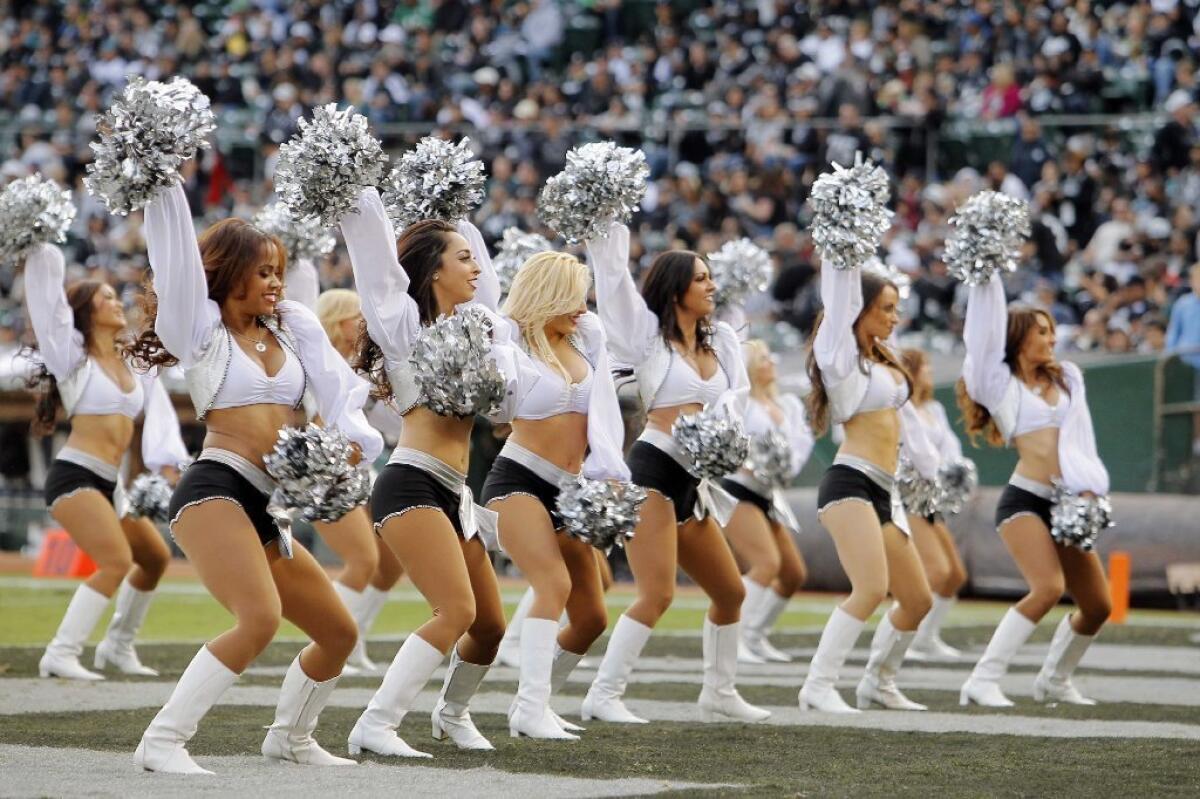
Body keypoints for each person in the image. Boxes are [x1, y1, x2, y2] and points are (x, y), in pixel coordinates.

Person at [128, 181, 383, 774]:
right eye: (262, 271)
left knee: (338, 632)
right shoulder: (201, 331)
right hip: (215, 486)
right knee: (260, 618)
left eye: (279, 271)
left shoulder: (291, 329)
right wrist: (166, 184)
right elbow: (175, 260)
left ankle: (291, 736)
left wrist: (346, 447)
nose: (275, 282)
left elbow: (338, 396)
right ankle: (162, 740)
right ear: (229, 273)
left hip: (269, 504)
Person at [340, 187, 534, 757]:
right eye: (465, 258)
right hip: (410, 481)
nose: (477, 266)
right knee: (457, 611)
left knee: (490, 627)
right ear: (433, 271)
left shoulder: (478, 332)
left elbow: (505, 412)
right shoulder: (404, 332)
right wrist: (361, 193)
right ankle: (376, 723)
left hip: (457, 492)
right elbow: (375, 265)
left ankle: (451, 713)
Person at [580, 222, 769, 724]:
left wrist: (723, 437)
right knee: (657, 592)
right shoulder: (647, 341)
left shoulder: (723, 339)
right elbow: (616, 283)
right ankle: (603, 693)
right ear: (676, 288)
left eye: (711, 278)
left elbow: (738, 398)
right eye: (701, 278)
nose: (711, 286)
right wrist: (608, 225)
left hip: (696, 479)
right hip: (654, 469)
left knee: (731, 592)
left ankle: (719, 692)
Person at [479, 249, 627, 739]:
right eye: (573, 296)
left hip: (572, 489)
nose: (583, 306)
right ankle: (528, 708)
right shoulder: (510, 341)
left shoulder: (588, 341)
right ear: (548, 296)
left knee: (590, 617)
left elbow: (604, 413)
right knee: (552, 584)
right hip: (518, 478)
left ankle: (539, 702)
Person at [24, 243, 187, 681]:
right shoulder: (72, 359)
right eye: (106, 298)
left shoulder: (133, 364)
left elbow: (160, 415)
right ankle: (60, 653)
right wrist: (42, 249)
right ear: (86, 312)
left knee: (153, 557)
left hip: (111, 483)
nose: (117, 302)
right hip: (75, 475)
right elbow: (47, 305)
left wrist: (170, 464)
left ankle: (116, 647)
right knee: (115, 562)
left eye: (116, 296)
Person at [957, 272, 1111, 707]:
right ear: (1020, 338)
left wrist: (1088, 490)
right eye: (1041, 331)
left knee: (1098, 605)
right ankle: (982, 680)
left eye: (1052, 331)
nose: (1051, 338)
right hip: (1023, 500)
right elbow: (981, 335)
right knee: (1046, 588)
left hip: (1065, 504)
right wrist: (985, 278)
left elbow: (1083, 441)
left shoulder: (1068, 380)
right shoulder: (1000, 386)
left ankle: (1054, 679)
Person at [801, 263, 932, 714]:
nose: (895, 318)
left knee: (917, 599)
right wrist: (845, 256)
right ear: (860, 310)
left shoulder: (883, 357)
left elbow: (906, 421)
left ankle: (879, 682)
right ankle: (818, 685)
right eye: (887, 309)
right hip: (850, 480)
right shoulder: (841, 359)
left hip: (885, 489)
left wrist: (931, 468)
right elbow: (837, 308)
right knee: (872, 588)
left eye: (898, 309)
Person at [314, 288, 406, 674]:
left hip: (364, 471)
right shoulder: (317, 363)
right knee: (362, 560)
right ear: (338, 323)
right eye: (357, 317)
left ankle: (356, 639)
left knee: (390, 563)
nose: (364, 324)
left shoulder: (362, 366)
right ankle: (328, 644)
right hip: (326, 473)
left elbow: (391, 423)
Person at [719, 339, 811, 664]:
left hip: (768, 494)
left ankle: (755, 635)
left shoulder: (785, 405)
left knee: (793, 573)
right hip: (738, 489)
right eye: (763, 358)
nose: (771, 362)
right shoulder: (740, 403)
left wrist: (782, 467)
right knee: (766, 564)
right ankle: (734, 637)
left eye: (771, 357)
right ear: (750, 366)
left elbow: (798, 446)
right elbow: (726, 441)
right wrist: (748, 463)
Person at [899, 348, 970, 660]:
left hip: (933, 497)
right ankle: (906, 635)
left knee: (955, 574)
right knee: (936, 571)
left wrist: (957, 471)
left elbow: (951, 447)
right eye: (924, 366)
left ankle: (926, 637)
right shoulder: (899, 409)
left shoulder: (934, 409)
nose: (929, 372)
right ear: (911, 372)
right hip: (909, 496)